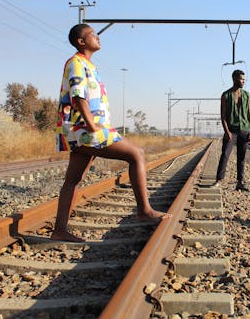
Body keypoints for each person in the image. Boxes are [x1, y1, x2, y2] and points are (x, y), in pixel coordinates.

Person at [52, 23, 170, 242]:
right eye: (93, 35)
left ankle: (59, 230)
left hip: (84, 130)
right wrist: (92, 124)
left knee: (73, 179)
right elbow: (78, 96)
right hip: (86, 130)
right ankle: (144, 211)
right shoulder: (76, 63)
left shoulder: (89, 65)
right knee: (136, 154)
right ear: (81, 41)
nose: (98, 38)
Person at [214, 69, 250, 191]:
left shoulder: (247, 95)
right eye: (241, 79)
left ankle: (240, 182)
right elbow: (223, 116)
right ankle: (219, 180)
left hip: (244, 129)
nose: (243, 81)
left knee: (241, 157)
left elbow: (249, 113)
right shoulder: (225, 95)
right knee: (225, 154)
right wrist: (227, 132)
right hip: (231, 130)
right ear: (234, 79)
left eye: (244, 79)